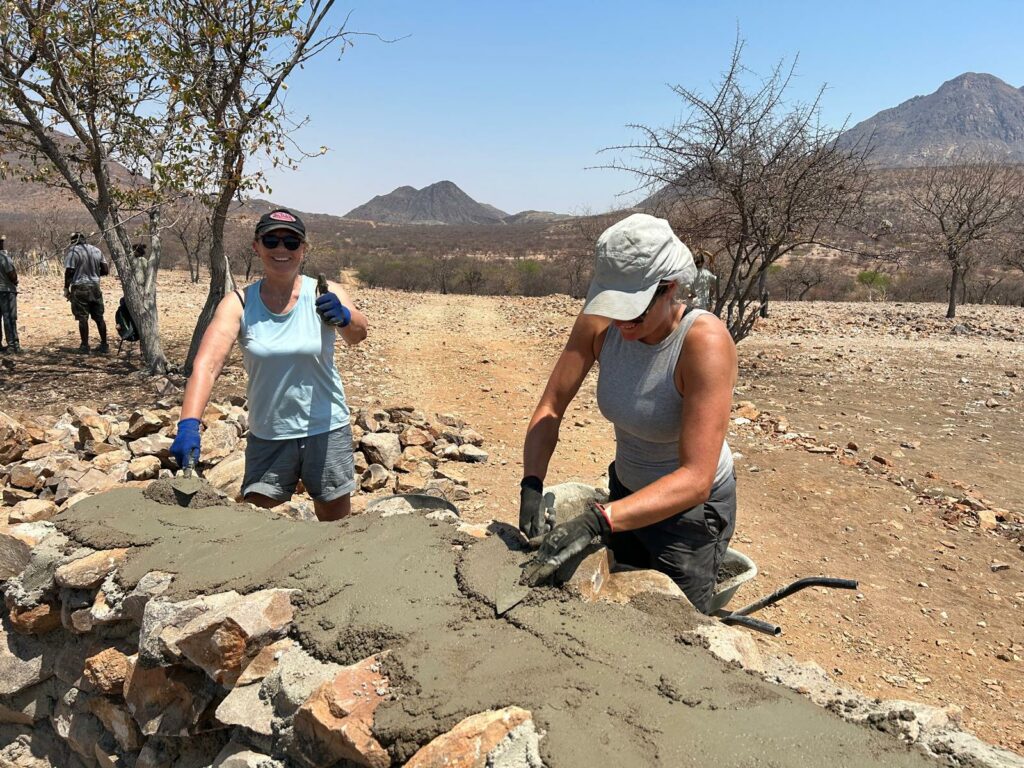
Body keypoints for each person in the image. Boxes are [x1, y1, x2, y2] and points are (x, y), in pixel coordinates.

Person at [520, 213, 738, 614]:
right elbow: (551, 407)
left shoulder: (702, 343)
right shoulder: (600, 325)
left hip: (689, 515)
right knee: (619, 610)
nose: (622, 322)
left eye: (634, 311)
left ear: (670, 288)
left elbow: (696, 479)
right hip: (625, 493)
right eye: (615, 307)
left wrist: (598, 522)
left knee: (674, 624)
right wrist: (531, 484)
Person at [170, 209, 367, 522]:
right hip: (269, 433)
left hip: (326, 430)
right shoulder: (239, 303)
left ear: (303, 249)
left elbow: (358, 334)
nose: (281, 249)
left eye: (291, 242)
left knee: (335, 530)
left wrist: (344, 316)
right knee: (259, 526)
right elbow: (207, 365)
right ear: (256, 246)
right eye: (271, 240)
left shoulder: (325, 292)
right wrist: (189, 423)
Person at [63, 232, 110, 354]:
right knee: (99, 317)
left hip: (80, 287)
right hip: (95, 287)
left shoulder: (73, 252)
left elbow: (69, 271)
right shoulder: (96, 250)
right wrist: (93, 274)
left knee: (82, 318)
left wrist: (66, 288)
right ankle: (104, 345)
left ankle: (84, 346)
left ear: (73, 241)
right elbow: (105, 270)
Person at [0, 236, 20, 353]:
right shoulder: (4, 258)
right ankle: (13, 345)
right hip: (6, 292)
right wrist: (15, 281)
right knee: (9, 318)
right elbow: (12, 275)